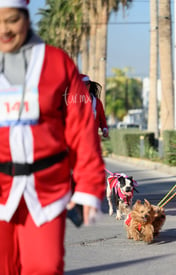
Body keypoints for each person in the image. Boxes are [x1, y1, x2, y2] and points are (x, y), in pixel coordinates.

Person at [0, 1, 106, 274]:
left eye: (11, 20)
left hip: (47, 190)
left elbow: (82, 131)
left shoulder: (57, 63)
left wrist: (87, 188)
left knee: (45, 267)